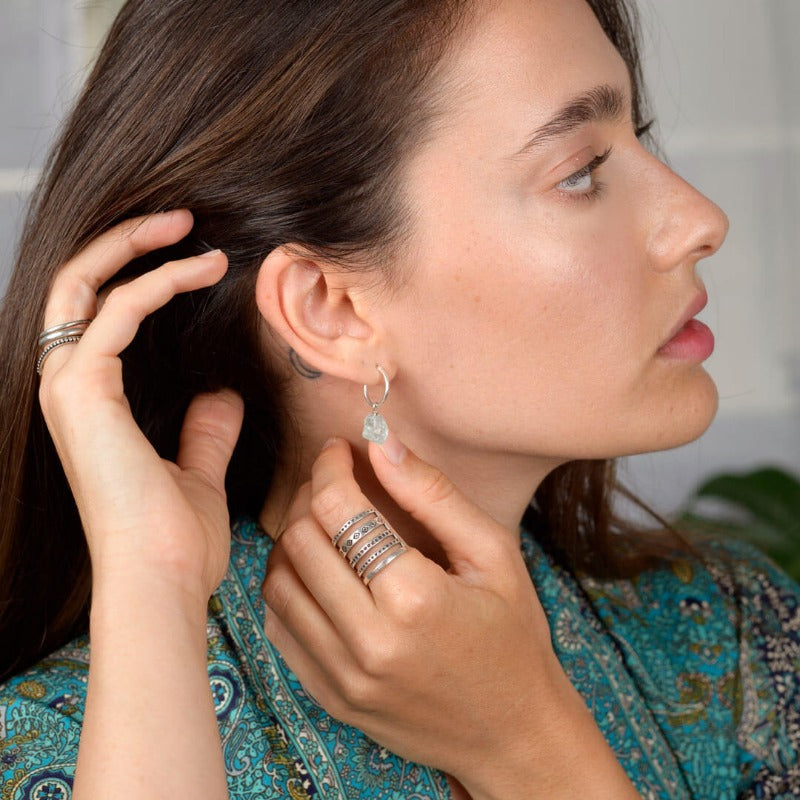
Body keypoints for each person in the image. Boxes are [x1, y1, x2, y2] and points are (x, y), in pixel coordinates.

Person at [0, 0, 798, 797]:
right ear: (330, 310)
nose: (699, 219)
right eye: (581, 172)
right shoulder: (58, 748)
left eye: (640, 138)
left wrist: (530, 744)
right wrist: (153, 588)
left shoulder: (735, 642)